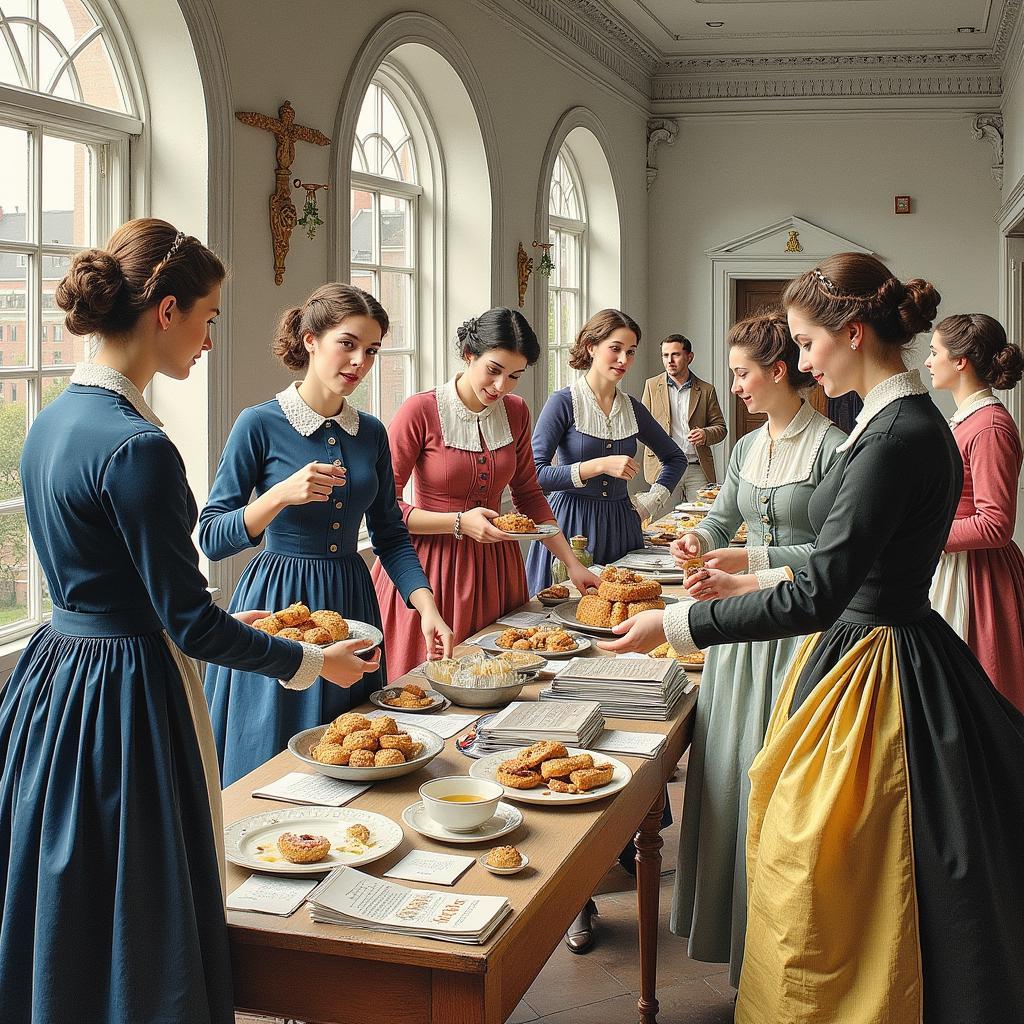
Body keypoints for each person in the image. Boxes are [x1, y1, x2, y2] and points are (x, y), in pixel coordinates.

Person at [601, 253, 1024, 1024]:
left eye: (805, 342)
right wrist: (747, 571)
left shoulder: (892, 434)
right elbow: (840, 563)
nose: (800, 361)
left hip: (878, 662)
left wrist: (675, 622)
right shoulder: (904, 419)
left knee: (847, 876)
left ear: (852, 333)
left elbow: (823, 590)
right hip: (890, 643)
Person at [0, 220, 379, 1024]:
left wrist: (213, 615)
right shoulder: (138, 445)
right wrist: (316, 663)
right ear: (165, 311)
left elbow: (109, 584)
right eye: (208, 318)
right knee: (146, 886)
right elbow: (190, 624)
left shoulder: (51, 423)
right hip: (126, 687)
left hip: (52, 677)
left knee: (68, 882)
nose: (211, 338)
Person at [201, 283, 452, 786]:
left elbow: (391, 534)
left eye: (372, 350)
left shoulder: (372, 432)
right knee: (271, 755)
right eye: (348, 343)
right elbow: (212, 536)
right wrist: (278, 496)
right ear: (310, 339)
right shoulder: (259, 423)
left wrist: (427, 609)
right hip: (279, 607)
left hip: (352, 601)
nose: (360, 360)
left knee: (354, 750)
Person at [670, 311, 846, 988]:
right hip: (742, 637)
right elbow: (721, 516)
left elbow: (833, 557)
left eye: (743, 373)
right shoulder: (745, 449)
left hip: (799, 635)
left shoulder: (834, 449)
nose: (735, 386)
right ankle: (730, 932)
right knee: (728, 777)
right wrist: (700, 540)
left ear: (779, 373)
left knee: (782, 790)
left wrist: (747, 555)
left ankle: (778, 955)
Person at [373, 308, 600, 677]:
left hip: (498, 570)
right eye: (493, 370)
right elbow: (384, 507)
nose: (501, 387)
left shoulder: (516, 412)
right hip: (428, 571)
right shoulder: (420, 411)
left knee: (502, 680)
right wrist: (458, 522)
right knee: (430, 688)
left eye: (514, 376)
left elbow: (528, 493)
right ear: (469, 355)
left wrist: (572, 564)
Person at [526, 309, 687, 595]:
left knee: (623, 611)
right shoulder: (563, 402)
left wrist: (650, 503)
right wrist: (598, 465)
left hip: (622, 526)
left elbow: (675, 457)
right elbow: (536, 474)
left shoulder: (633, 408)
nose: (624, 360)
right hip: (570, 526)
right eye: (615, 349)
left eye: (631, 351)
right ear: (591, 347)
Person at [925, 313, 1024, 710]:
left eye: (935, 353)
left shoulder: (990, 427)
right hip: (953, 567)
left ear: (961, 361)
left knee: (976, 701)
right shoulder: (968, 420)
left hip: (978, 579)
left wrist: (925, 535)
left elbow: (996, 523)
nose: (929, 361)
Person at [640, 333, 726, 502]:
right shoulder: (651, 386)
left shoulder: (706, 390)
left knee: (702, 520)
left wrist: (705, 434)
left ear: (689, 357)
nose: (669, 360)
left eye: (676, 354)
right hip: (664, 466)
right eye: (665, 355)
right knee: (660, 523)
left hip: (697, 467)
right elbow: (640, 425)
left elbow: (721, 428)